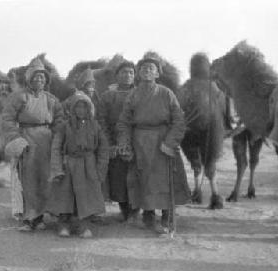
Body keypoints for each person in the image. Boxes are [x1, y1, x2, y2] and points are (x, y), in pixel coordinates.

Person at [117, 56, 190, 233]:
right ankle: (148, 215)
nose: (147, 71)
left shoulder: (166, 93)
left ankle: (167, 215)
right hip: (140, 142)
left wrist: (170, 142)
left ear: (157, 73)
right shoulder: (133, 95)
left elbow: (179, 120)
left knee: (165, 180)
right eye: (143, 68)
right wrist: (125, 142)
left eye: (151, 68)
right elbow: (124, 122)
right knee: (144, 180)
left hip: (163, 142)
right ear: (138, 73)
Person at [2, 58, 64, 231]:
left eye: (42, 77)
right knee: (28, 179)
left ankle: (44, 214)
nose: (39, 80)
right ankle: (30, 217)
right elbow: (7, 119)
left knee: (47, 178)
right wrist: (15, 138)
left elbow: (59, 120)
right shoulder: (19, 97)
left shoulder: (52, 100)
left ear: (47, 80)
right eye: (36, 77)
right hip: (27, 141)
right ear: (29, 79)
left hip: (47, 142)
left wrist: (59, 139)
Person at [48, 92, 109, 238]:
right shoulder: (64, 126)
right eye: (78, 107)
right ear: (72, 109)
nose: (81, 110)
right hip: (69, 164)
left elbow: (103, 148)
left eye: (84, 107)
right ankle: (64, 224)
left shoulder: (95, 126)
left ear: (89, 109)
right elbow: (56, 147)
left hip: (88, 165)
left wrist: (100, 170)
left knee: (86, 196)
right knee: (65, 195)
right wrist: (57, 168)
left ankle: (84, 225)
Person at [97, 61, 140, 222]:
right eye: (123, 72)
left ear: (135, 76)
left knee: (137, 176)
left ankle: (136, 211)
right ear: (116, 75)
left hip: (137, 141)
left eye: (130, 72)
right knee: (118, 177)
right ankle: (125, 210)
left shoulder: (140, 94)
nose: (127, 75)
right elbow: (101, 120)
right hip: (114, 142)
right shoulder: (107, 96)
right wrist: (108, 143)